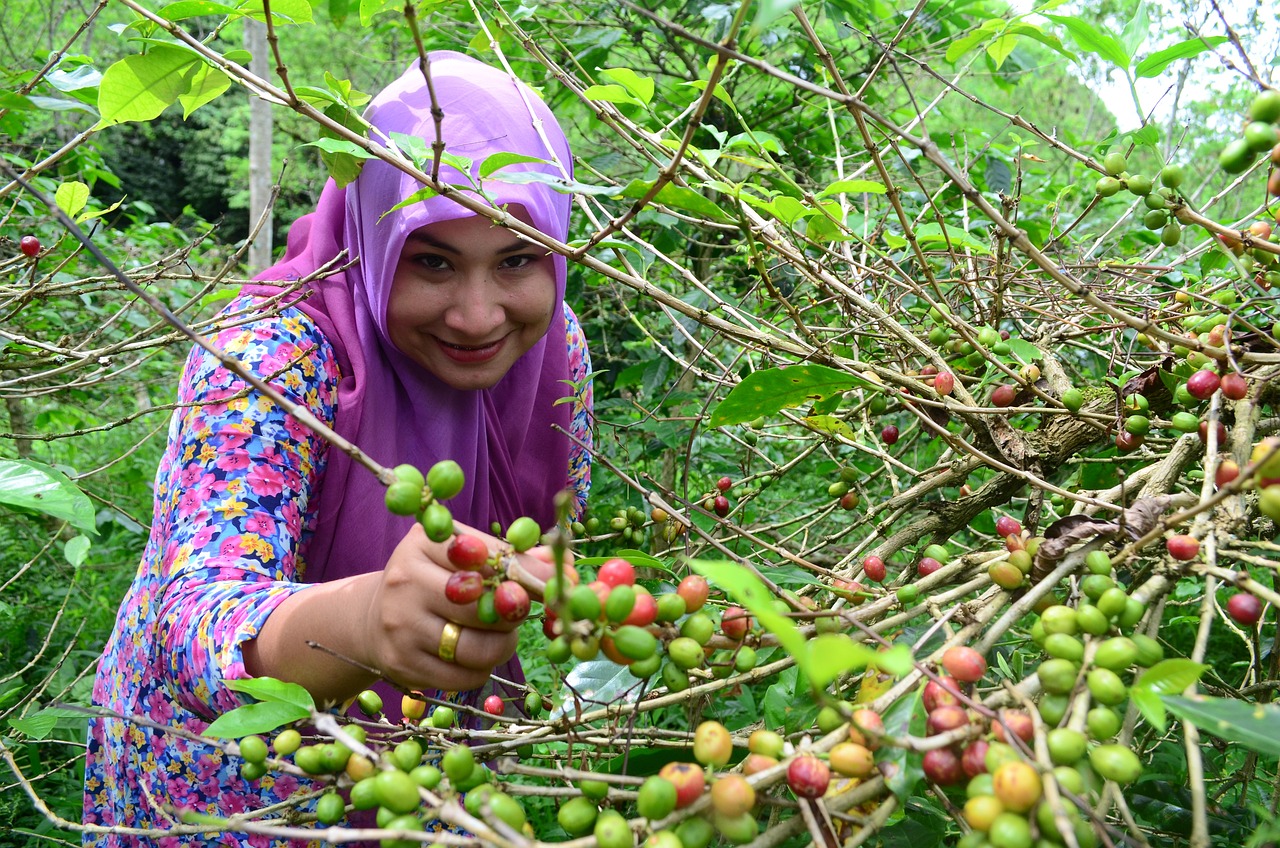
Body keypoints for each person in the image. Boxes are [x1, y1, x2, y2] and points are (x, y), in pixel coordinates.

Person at [82, 50, 592, 846]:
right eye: (431, 261)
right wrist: (364, 622)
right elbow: (188, 622)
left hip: (424, 762)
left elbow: (552, 544)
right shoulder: (271, 359)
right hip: (229, 788)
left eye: (518, 259)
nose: (477, 315)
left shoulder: (556, 355)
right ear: (369, 238)